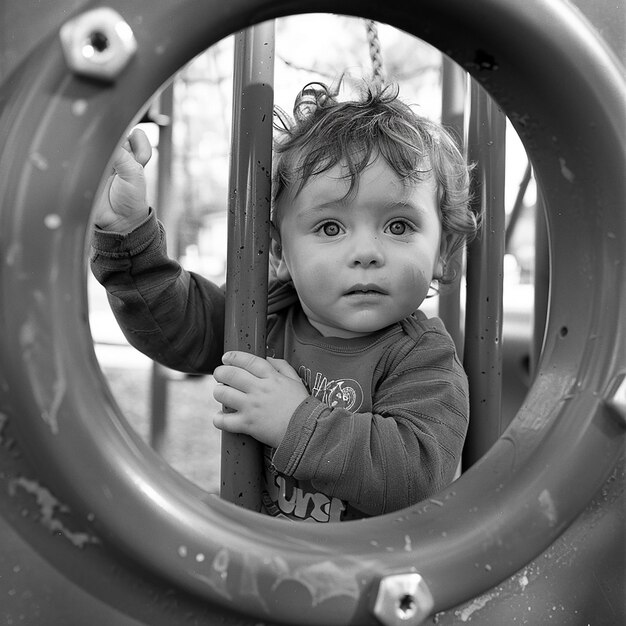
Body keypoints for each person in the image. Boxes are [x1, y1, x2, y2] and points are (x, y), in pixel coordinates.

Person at [90, 82, 479, 522]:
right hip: (260, 563)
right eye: (331, 227)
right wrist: (127, 234)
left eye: (399, 226)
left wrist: (294, 420)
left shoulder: (423, 358)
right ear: (278, 254)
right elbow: (174, 325)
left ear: (443, 252)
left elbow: (415, 477)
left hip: (360, 577)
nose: (367, 251)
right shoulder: (262, 316)